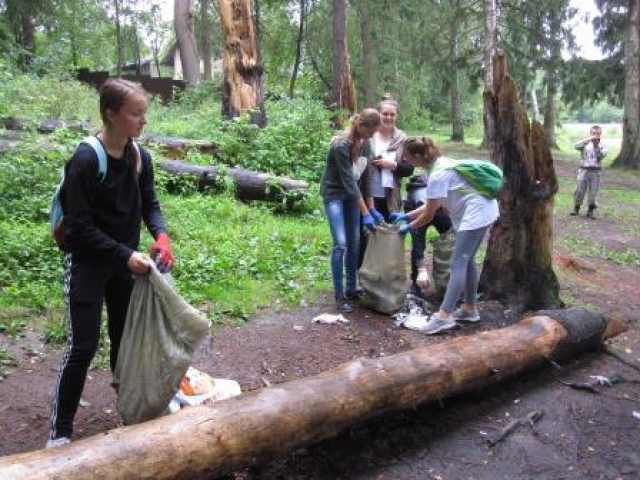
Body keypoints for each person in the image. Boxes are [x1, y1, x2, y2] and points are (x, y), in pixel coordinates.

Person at [47, 78, 174, 448]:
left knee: (125, 343)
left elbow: (150, 203)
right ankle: (60, 432)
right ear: (111, 114)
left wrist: (161, 236)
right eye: (137, 113)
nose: (143, 120)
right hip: (88, 264)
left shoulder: (139, 157)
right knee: (82, 347)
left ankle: (131, 412)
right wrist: (125, 254)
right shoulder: (87, 160)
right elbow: (78, 229)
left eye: (144, 112)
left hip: (124, 265)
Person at [391, 137, 499, 335]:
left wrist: (408, 227)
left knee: (458, 262)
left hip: (476, 213)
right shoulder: (440, 165)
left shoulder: (437, 175)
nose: (405, 161)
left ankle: (443, 316)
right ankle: (469, 309)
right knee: (466, 261)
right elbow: (434, 203)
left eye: (406, 157)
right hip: (482, 209)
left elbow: (429, 214)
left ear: (417, 156)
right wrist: (405, 216)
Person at [320, 108, 381, 314]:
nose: (372, 136)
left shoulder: (366, 143)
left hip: (352, 196)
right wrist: (364, 213)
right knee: (341, 243)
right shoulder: (341, 145)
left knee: (355, 242)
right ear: (361, 126)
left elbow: (366, 177)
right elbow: (348, 182)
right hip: (335, 195)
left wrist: (371, 208)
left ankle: (352, 287)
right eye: (371, 132)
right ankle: (339, 295)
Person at [358, 97, 414, 268]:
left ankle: (383, 274)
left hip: (389, 197)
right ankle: (362, 274)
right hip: (365, 194)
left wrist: (393, 165)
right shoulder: (367, 135)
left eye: (392, 114)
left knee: (386, 237)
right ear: (378, 114)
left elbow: (409, 169)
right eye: (385, 114)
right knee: (363, 237)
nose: (388, 117)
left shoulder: (402, 139)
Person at [404, 163, 455, 303]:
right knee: (421, 242)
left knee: (449, 244)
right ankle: (419, 286)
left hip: (437, 212)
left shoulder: (435, 198)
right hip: (424, 209)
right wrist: (421, 268)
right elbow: (417, 237)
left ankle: (445, 286)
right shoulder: (416, 198)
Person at [570, 125, 607, 219]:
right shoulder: (585, 143)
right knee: (579, 190)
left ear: (600, 134)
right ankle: (576, 207)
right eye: (594, 133)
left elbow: (601, 156)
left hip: (595, 171)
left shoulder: (603, 145)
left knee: (593, 192)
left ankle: (590, 210)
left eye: (598, 133)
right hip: (583, 170)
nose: (595, 135)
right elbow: (575, 146)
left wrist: (596, 146)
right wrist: (587, 140)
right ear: (590, 133)